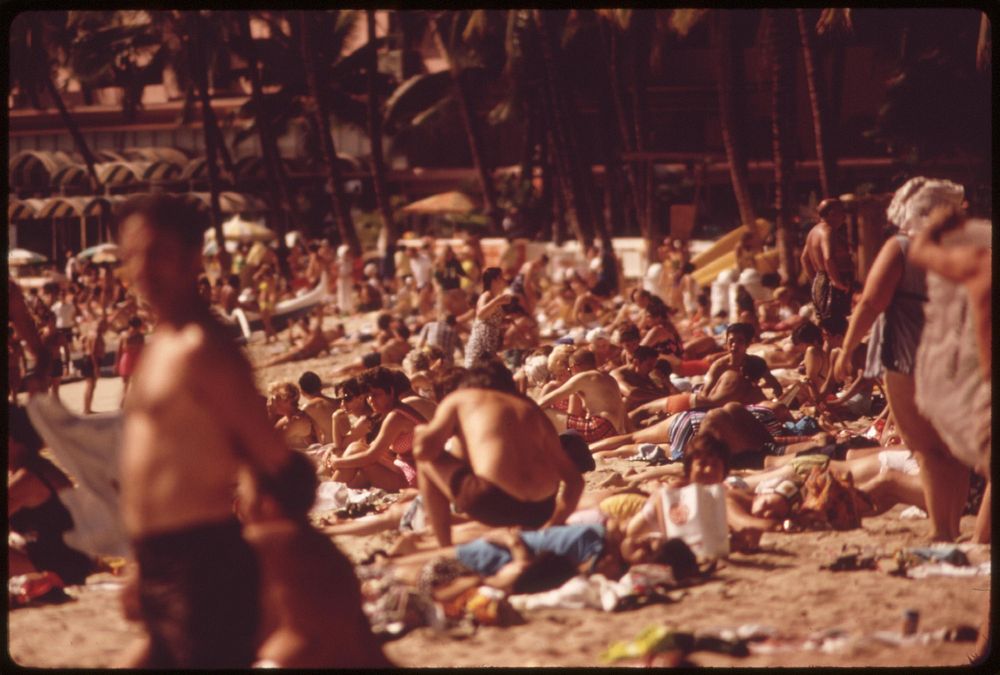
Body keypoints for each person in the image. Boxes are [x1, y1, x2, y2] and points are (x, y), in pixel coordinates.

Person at [115, 193, 315, 668]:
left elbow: (278, 467)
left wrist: (279, 554)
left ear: (192, 257)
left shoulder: (205, 349)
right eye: (131, 254)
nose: (143, 267)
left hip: (204, 566)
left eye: (157, 251)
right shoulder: (160, 343)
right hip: (159, 561)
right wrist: (142, 564)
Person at [834, 178, 968, 542]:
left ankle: (941, 531)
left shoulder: (903, 248)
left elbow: (871, 301)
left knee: (925, 448)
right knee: (950, 450)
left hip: (909, 356)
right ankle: (950, 526)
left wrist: (847, 349)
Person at [412, 367, 587, 547]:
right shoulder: (529, 407)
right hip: (541, 509)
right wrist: (552, 525)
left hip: (494, 500)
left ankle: (446, 548)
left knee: (425, 460)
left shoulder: (461, 397)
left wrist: (423, 432)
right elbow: (575, 482)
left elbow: (423, 451)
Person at [327, 367, 436, 491]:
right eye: (368, 396)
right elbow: (374, 449)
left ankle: (329, 491)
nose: (371, 400)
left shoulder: (396, 418)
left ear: (391, 391)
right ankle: (332, 490)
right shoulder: (399, 410)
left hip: (414, 477)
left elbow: (371, 456)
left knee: (355, 452)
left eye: (376, 395)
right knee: (355, 448)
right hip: (408, 469)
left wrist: (338, 462)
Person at [536, 348, 626, 443]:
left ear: (574, 367)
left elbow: (544, 401)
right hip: (615, 431)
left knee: (545, 412)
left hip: (599, 429)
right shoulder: (609, 378)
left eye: (569, 370)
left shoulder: (583, 377)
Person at [800, 198, 855, 322]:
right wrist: (836, 281)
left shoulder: (813, 232)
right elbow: (828, 257)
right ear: (832, 213)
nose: (844, 216)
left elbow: (804, 258)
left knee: (828, 321)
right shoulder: (828, 231)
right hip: (833, 280)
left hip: (823, 278)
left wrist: (814, 280)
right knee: (836, 321)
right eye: (841, 211)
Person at [464, 267, 512, 369]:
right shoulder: (486, 296)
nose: (504, 280)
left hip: (489, 342)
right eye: (501, 277)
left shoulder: (493, 297)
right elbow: (481, 314)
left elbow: (491, 318)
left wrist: (505, 321)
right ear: (494, 280)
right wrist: (497, 301)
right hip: (482, 343)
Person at [297, 371, 338, 444]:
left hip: (328, 445)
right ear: (321, 386)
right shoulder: (336, 402)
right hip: (344, 442)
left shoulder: (307, 408)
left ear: (302, 391)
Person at [79, 316, 107, 415]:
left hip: (89, 360)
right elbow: (93, 352)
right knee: (90, 385)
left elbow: (85, 347)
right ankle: (87, 409)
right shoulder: (96, 335)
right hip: (92, 361)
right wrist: (96, 368)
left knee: (91, 385)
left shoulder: (91, 333)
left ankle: (88, 408)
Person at [115, 316, 145, 407]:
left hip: (128, 358)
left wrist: (116, 364)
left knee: (128, 384)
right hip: (133, 358)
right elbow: (142, 350)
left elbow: (119, 350)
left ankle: (124, 403)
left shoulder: (124, 334)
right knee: (131, 383)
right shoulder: (140, 335)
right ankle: (127, 403)